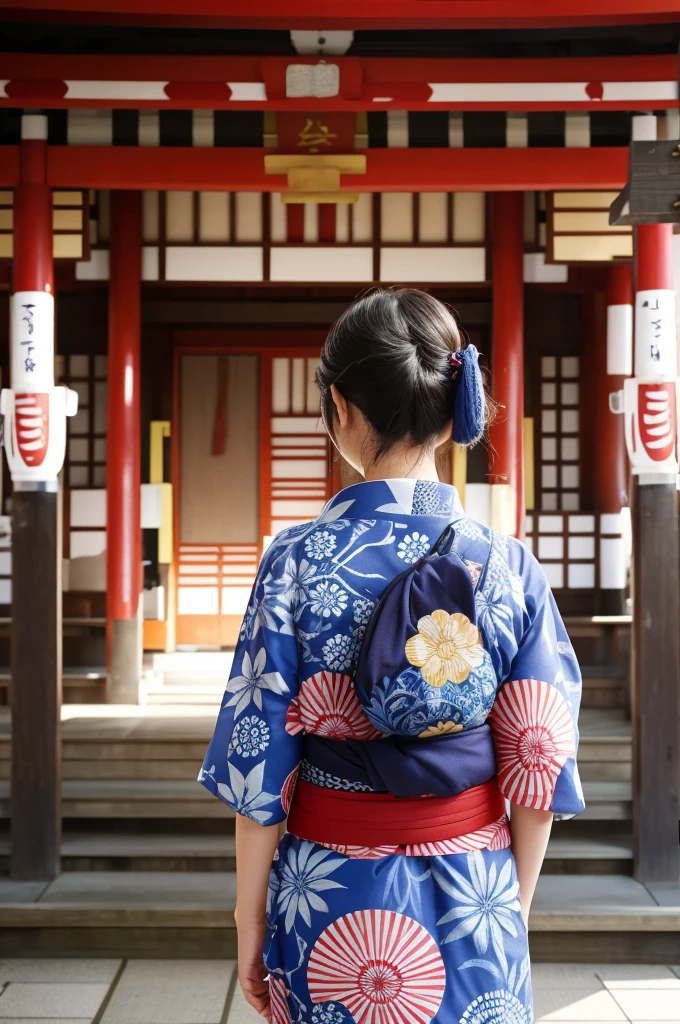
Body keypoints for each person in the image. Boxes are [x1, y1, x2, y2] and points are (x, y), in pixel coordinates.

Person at [199, 288, 584, 1024]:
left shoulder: (296, 561)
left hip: (329, 892)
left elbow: (259, 768)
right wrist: (510, 909)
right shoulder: (509, 565)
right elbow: (539, 761)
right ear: (449, 408)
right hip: (478, 891)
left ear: (339, 406)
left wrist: (251, 920)